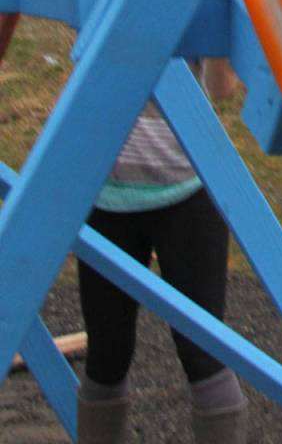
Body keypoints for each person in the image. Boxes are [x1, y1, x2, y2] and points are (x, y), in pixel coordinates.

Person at [76, 60, 247, 444]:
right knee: (106, 357)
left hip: (186, 190)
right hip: (107, 197)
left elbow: (222, 88)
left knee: (205, 358)